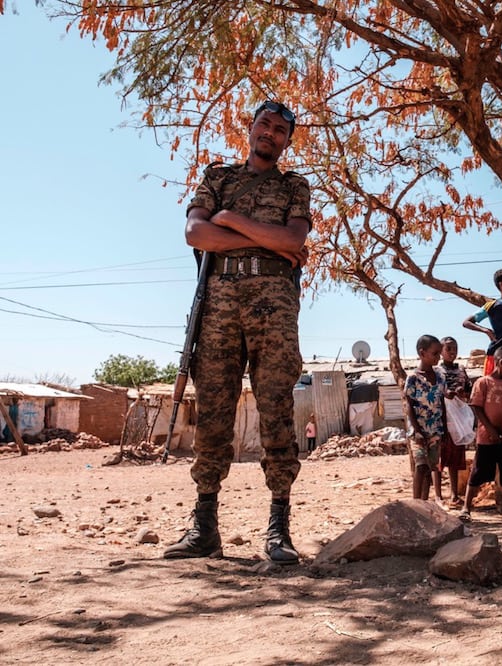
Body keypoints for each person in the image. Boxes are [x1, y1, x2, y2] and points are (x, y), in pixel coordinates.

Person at [164, 100, 311, 565]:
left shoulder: (295, 186)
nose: (270, 133)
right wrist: (255, 235)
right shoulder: (218, 178)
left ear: (287, 140)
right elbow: (195, 234)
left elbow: (292, 241)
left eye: (280, 129)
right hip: (219, 305)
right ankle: (204, 527)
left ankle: (278, 529)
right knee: (213, 411)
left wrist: (228, 221)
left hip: (274, 307)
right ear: (250, 129)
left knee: (276, 408)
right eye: (264, 124)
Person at [461, 346, 502, 522]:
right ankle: (466, 508)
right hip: (486, 438)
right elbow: (477, 407)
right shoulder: (483, 383)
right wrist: (490, 429)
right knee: (478, 472)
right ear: (500, 363)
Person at [403, 335, 449, 502]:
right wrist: (416, 430)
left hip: (435, 430)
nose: (438, 357)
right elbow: (409, 404)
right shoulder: (413, 378)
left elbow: (441, 403)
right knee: (421, 466)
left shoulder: (440, 376)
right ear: (422, 353)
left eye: (439, 354)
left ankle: (424, 504)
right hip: (418, 431)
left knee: (431, 468)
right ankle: (415, 504)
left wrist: (445, 429)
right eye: (435, 354)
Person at [438, 336, 471, 507]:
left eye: (455, 348)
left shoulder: (461, 371)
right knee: (440, 457)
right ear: (441, 351)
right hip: (442, 418)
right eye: (448, 348)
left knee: (455, 457)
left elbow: (468, 391)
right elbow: (437, 392)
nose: (452, 352)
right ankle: (437, 495)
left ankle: (453, 494)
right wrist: (447, 393)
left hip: (458, 418)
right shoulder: (437, 371)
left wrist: (461, 393)